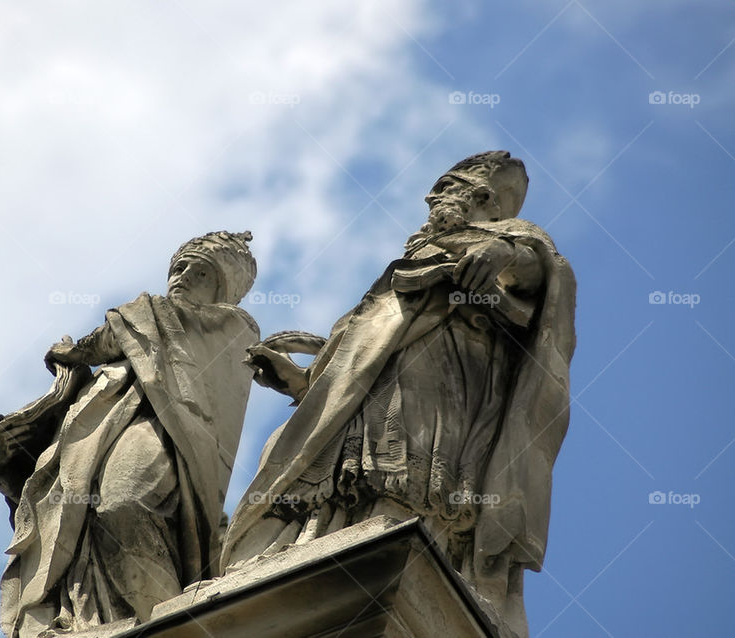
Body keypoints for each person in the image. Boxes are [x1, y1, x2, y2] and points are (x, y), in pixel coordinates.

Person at [224, 153, 575, 637]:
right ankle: (325, 536)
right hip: (387, 381)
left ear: (483, 198)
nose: (431, 198)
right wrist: (304, 379)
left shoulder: (515, 239)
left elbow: (541, 275)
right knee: (349, 462)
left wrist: (506, 254)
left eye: (444, 187)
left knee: (410, 463)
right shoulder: (415, 255)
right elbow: (361, 357)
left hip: (453, 370)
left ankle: (408, 536)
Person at [0, 231, 259, 637]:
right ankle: (103, 622)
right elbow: (51, 459)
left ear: (222, 287)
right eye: (178, 267)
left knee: (124, 503)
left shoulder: (232, 329)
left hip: (166, 437)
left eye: (199, 271)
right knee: (84, 525)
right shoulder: (121, 365)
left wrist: (78, 350)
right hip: (96, 455)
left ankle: (168, 621)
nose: (182, 276)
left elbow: (130, 326)